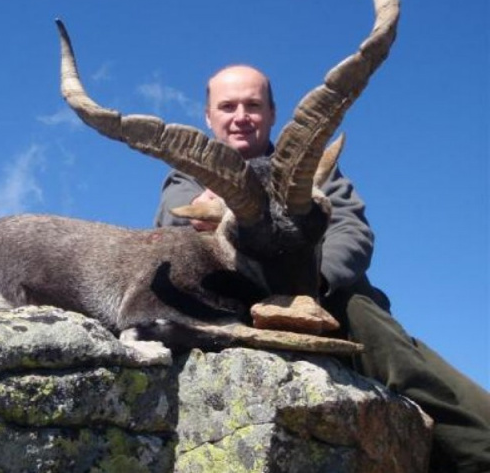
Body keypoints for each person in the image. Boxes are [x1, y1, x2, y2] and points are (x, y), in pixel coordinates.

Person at [154, 64, 490, 473]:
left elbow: (351, 228)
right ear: (209, 117)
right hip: (239, 305)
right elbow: (172, 226)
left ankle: (477, 450)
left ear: (272, 114)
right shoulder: (190, 176)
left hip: (330, 302)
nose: (241, 115)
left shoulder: (307, 166)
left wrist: (312, 288)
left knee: (393, 346)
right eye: (228, 106)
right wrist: (203, 220)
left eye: (253, 105)